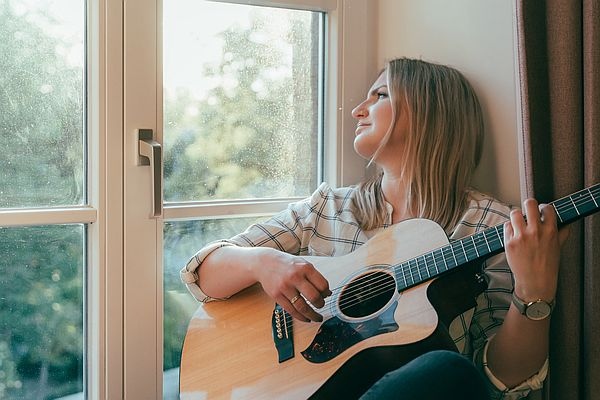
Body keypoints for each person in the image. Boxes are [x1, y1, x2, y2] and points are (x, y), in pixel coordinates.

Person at [180, 57, 569, 399]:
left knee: (447, 371)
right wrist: (265, 263)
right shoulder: (328, 207)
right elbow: (204, 275)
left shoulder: (496, 226)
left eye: (380, 95)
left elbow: (501, 382)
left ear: (429, 113)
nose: (356, 110)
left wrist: (534, 292)